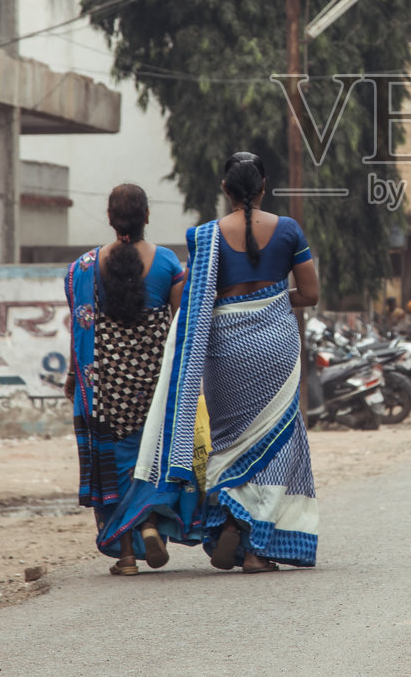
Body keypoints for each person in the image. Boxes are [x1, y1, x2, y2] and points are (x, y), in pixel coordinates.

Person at [137, 152, 320, 574]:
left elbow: (194, 300)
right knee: (277, 441)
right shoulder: (289, 230)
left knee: (227, 439)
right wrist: (270, 300)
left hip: (225, 348)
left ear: (225, 190)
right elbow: (309, 294)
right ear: (264, 186)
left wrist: (235, 304)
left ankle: (233, 518)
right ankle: (256, 546)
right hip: (276, 345)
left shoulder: (204, 236)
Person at [63, 184, 199, 576]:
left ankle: (126, 554)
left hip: (105, 391)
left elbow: (79, 329)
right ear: (147, 217)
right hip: (153, 386)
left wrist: (74, 375)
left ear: (109, 217)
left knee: (114, 464)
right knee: (150, 458)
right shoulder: (168, 263)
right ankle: (152, 523)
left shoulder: (84, 269)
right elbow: (180, 327)